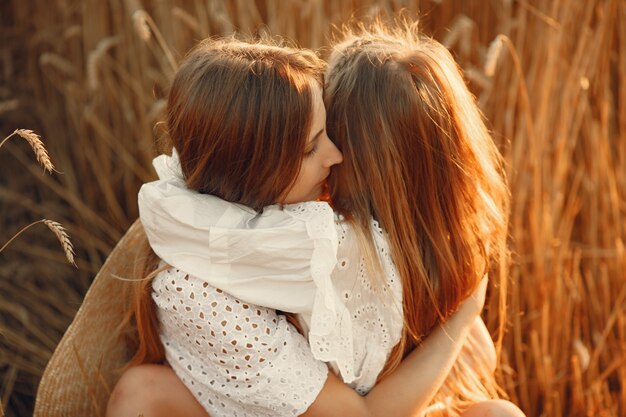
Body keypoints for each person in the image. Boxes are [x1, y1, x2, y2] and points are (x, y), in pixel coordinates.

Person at [107, 22, 525, 417]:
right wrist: (465, 314)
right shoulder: (203, 286)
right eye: (311, 148)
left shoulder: (340, 236)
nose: (335, 155)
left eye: (331, 133)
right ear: (256, 173)